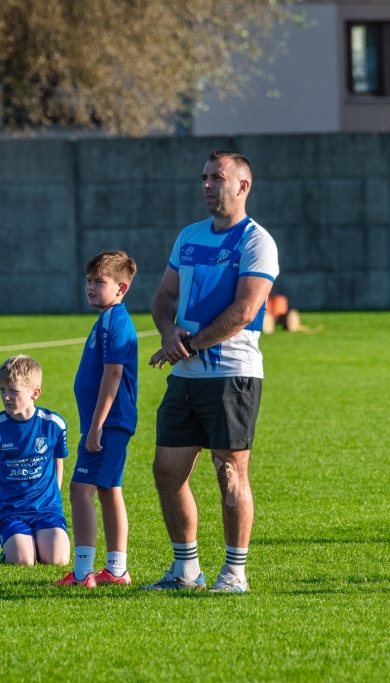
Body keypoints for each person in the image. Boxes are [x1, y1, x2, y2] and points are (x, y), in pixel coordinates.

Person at [144, 150, 278, 593]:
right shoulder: (189, 236)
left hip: (232, 376)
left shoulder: (256, 241)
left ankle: (235, 573)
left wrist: (189, 345)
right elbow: (164, 296)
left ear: (242, 186)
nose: (206, 185)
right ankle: (186, 569)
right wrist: (168, 332)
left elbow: (245, 310)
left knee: (230, 473)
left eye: (216, 178)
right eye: (204, 177)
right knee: (167, 471)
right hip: (185, 377)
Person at [57, 251, 138, 587]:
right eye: (88, 280)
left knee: (80, 490)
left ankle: (82, 573)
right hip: (109, 422)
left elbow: (113, 373)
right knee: (108, 489)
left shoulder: (115, 321)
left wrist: (96, 425)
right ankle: (116, 571)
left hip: (108, 422)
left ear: (121, 288)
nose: (90, 286)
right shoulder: (107, 319)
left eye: (99, 282)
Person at [0, 355, 71, 567]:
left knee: (57, 560)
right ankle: (13, 547)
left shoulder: (54, 425)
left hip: (47, 510)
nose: (6, 397)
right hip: (11, 513)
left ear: (34, 393)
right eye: (2, 390)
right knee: (24, 561)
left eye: (13, 391)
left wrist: (52, 500)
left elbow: (58, 462)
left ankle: (38, 539)